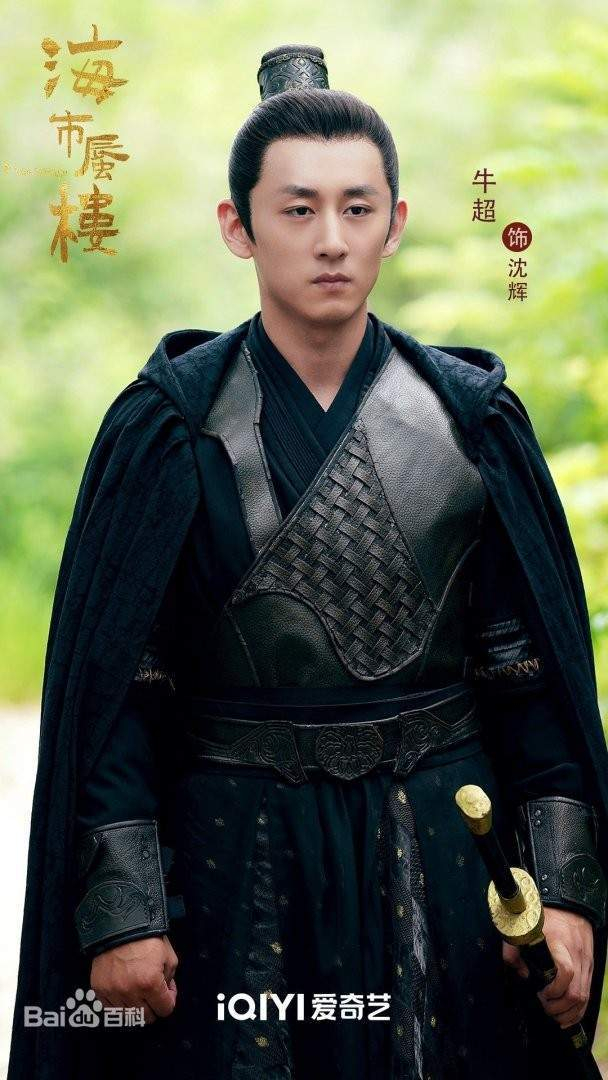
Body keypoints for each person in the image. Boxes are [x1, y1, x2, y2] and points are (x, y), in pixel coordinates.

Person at [7, 43, 608, 1080]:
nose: (331, 239)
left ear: (395, 222)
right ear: (236, 227)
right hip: (233, 847)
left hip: (441, 844)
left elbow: (533, 686)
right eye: (297, 209)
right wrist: (124, 912)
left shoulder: (469, 424)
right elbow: (121, 696)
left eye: (356, 208)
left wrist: (563, 895)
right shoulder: (172, 428)